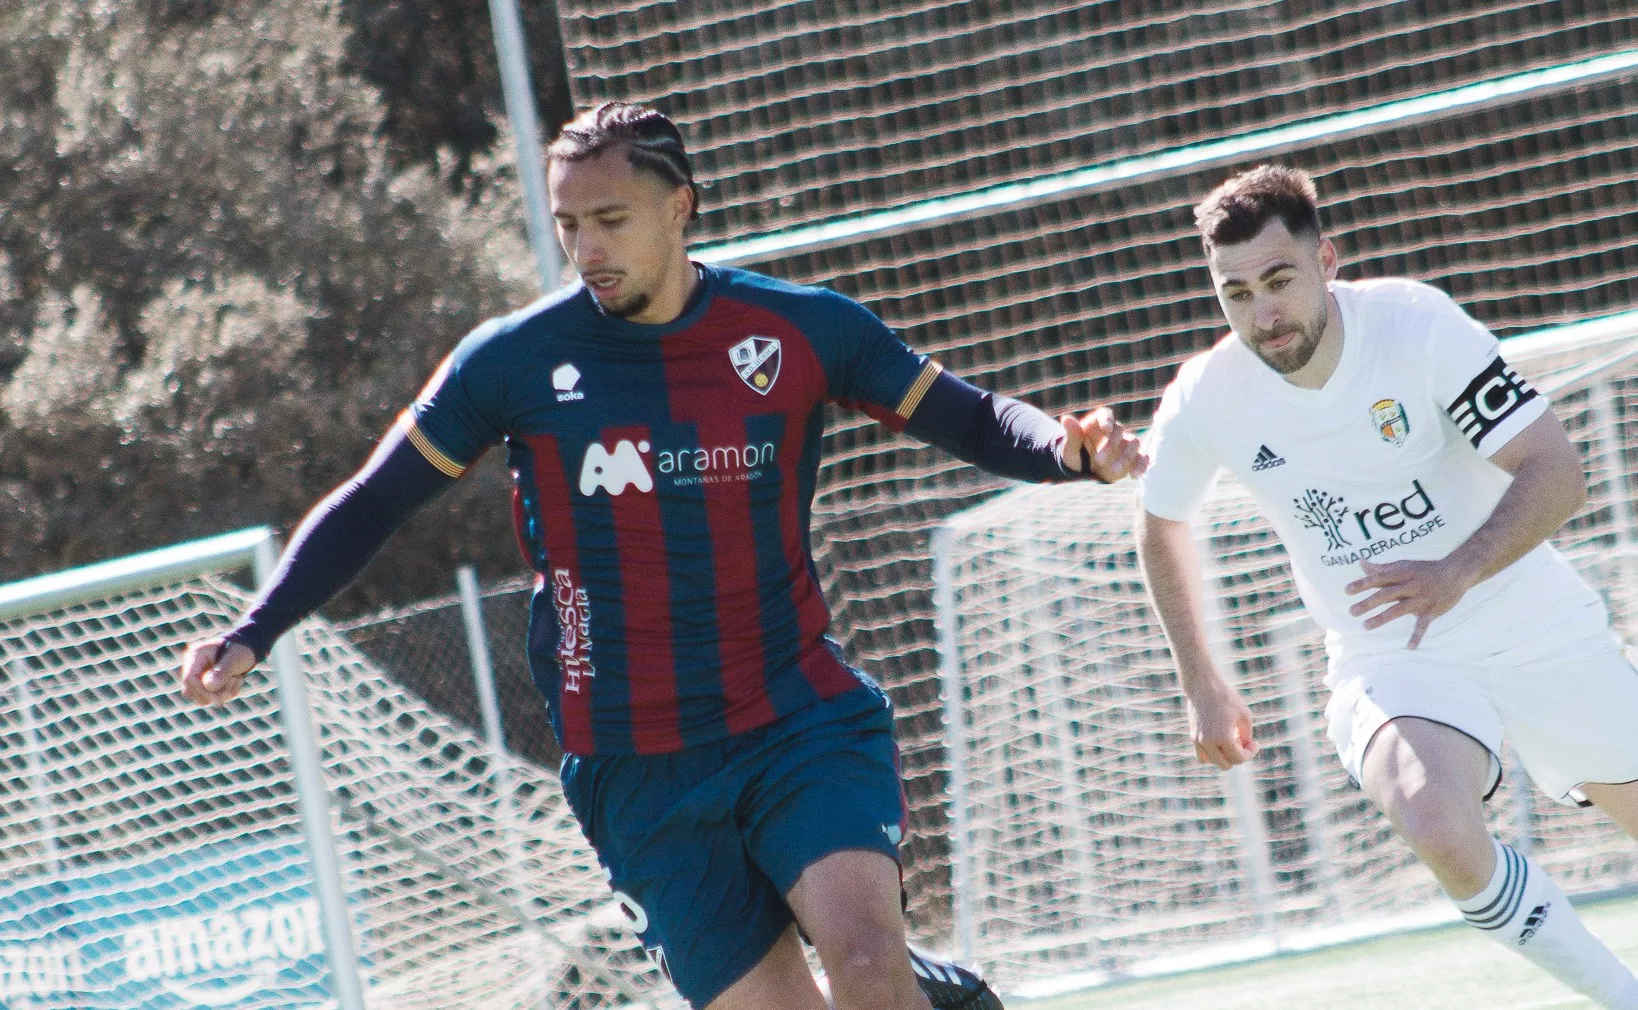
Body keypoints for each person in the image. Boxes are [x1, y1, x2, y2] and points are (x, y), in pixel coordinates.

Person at [177, 102, 1147, 1010]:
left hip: (795, 713)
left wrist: (1067, 450)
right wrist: (257, 628)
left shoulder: (799, 329)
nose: (586, 249)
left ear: (679, 208)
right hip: (634, 766)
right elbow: (375, 500)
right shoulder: (510, 362)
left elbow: (970, 416)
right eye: (568, 225)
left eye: (611, 220)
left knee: (863, 960)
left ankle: (902, 976)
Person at [1136, 163, 1638, 1008]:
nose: (1264, 314)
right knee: (1433, 819)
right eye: (1236, 293)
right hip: (1391, 656)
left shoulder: (1415, 327)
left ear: (1326, 261)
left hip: (1531, 618)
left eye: (1279, 281)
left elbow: (1555, 469)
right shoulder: (1208, 396)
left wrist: (1456, 571)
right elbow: (1160, 523)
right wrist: (1201, 682)